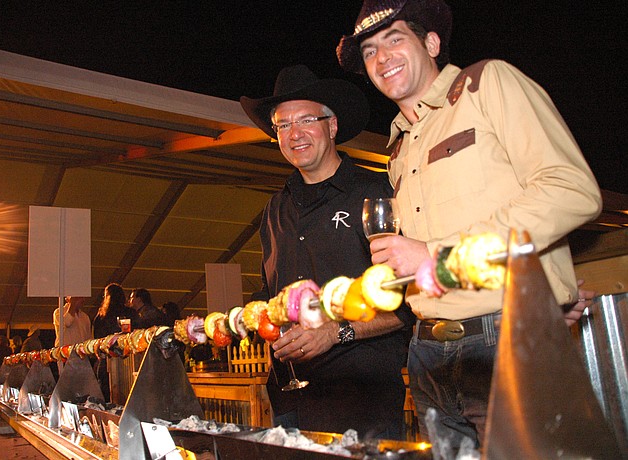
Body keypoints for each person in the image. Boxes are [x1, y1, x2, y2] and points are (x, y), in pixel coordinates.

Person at [336, 0, 602, 447]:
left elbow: (572, 189)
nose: (381, 58)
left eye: (394, 39)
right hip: (427, 351)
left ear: (431, 43)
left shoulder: (486, 83)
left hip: (505, 337)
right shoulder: (398, 148)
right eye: (369, 51)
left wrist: (437, 254)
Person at [240, 65, 416, 439]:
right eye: (283, 125)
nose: (294, 133)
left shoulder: (376, 193)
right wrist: (250, 319)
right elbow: (269, 295)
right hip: (289, 401)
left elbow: (407, 299)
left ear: (332, 126)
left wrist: (336, 332)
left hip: (361, 403)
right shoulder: (275, 210)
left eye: (306, 120)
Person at [92, 283, 136, 401]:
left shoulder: (101, 316)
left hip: (107, 360)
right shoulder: (131, 313)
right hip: (129, 359)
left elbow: (97, 339)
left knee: (106, 395)